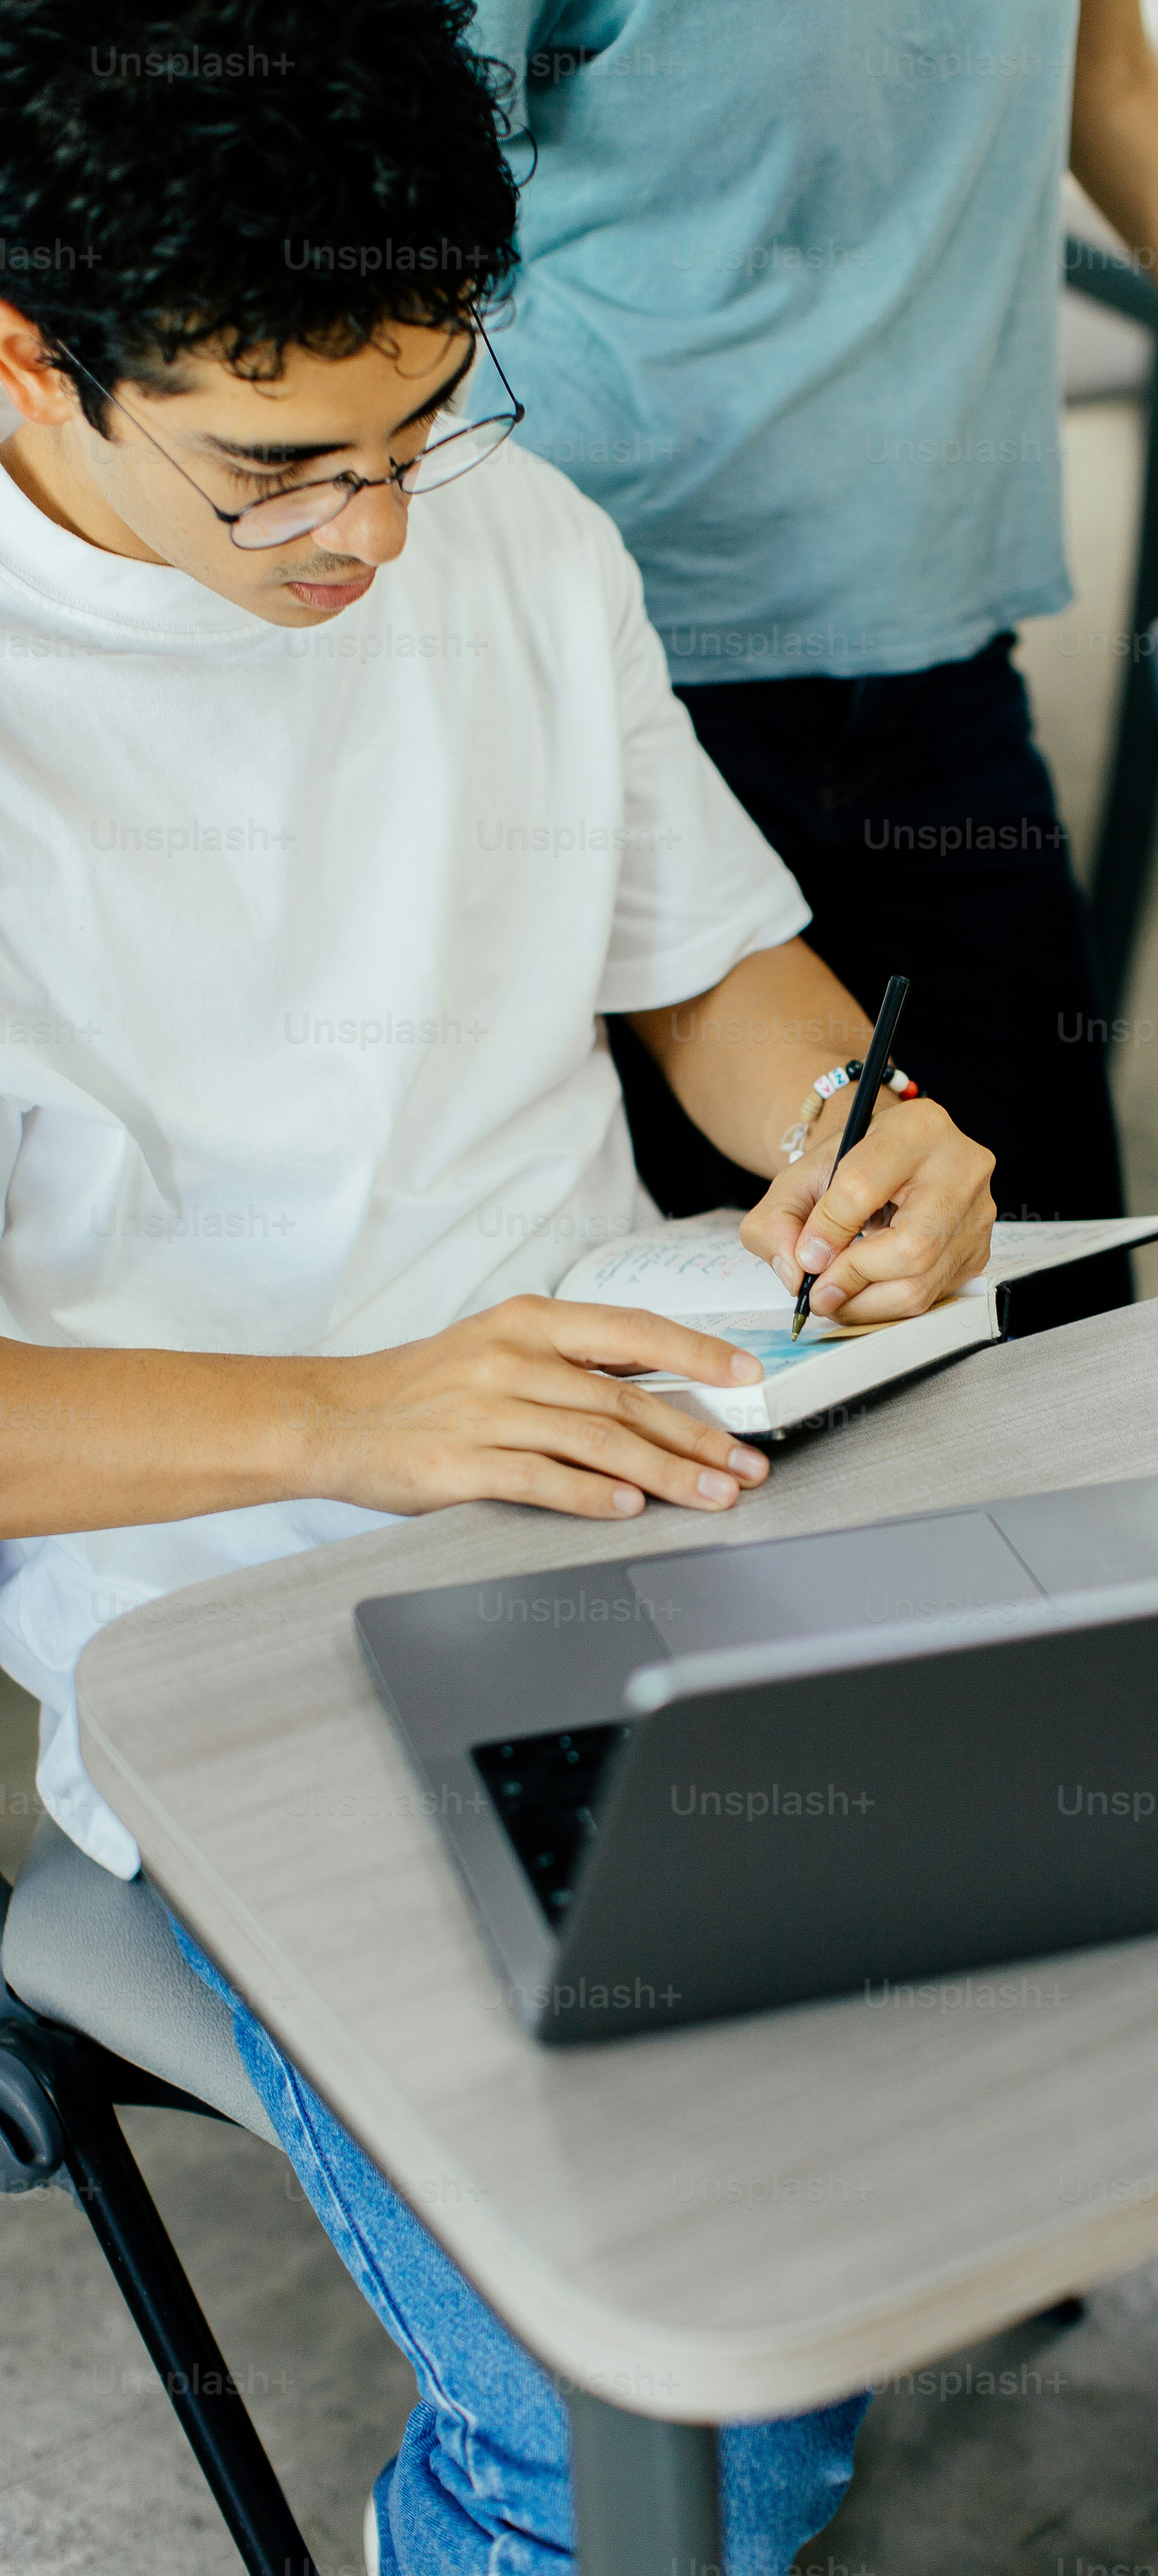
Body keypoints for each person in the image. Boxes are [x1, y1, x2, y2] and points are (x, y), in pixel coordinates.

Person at [0, 7, 997, 2569]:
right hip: (242, 1629)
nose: (378, 533)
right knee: (663, 2437)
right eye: (281, 470)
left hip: (670, 1473)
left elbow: (713, 980)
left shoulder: (522, 542)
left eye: (426, 424)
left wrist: (850, 1135)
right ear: (24, 354)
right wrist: (359, 1418)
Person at [467, 0, 1158, 1315]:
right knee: (732, 1338)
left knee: (1047, 1289)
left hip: (934, 629)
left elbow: (1103, 75)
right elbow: (403, 200)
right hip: (624, 630)